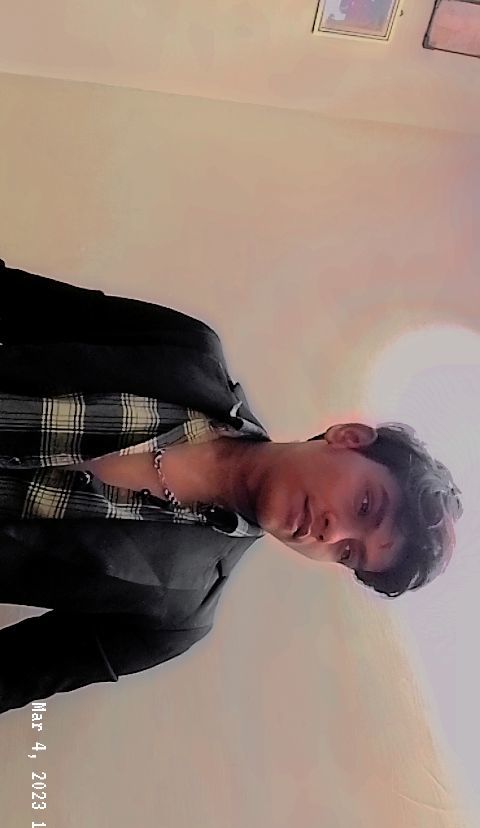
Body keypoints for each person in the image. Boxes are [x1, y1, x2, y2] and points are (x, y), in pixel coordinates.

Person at [0, 259, 463, 713]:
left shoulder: (179, 614)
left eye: (347, 553)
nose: (331, 533)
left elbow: (12, 675)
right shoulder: (189, 351)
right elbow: (16, 300)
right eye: (364, 506)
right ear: (349, 437)